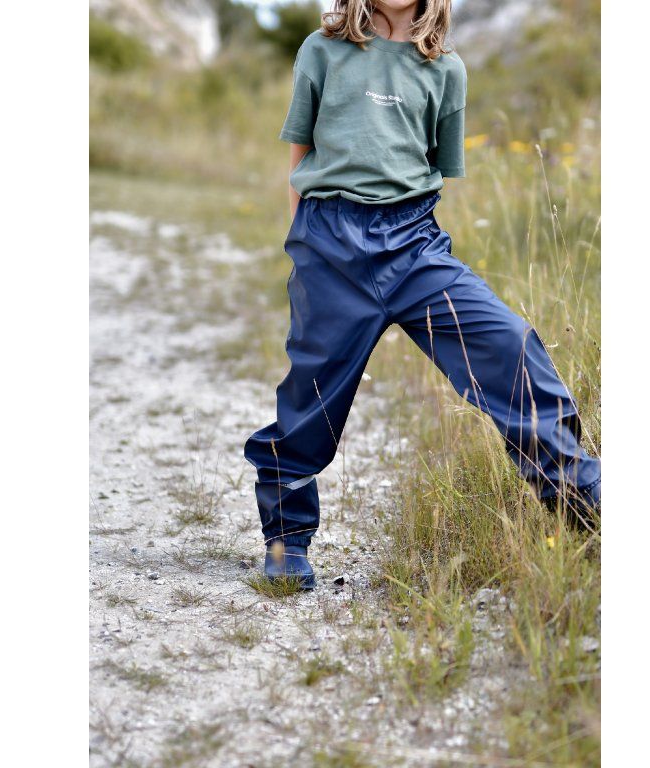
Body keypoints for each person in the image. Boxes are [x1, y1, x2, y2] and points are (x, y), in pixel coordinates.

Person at [243, 0, 601, 589]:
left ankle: (581, 499)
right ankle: (286, 540)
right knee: (312, 397)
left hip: (413, 244)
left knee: (510, 345)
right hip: (329, 244)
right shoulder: (322, 51)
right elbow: (299, 156)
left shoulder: (446, 69)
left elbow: (430, 165)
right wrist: (304, 245)